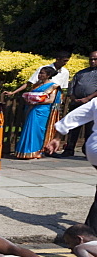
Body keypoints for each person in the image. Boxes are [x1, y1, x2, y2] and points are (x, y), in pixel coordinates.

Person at [44, 98, 97, 231]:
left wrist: (57, 137)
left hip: (94, 148)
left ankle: (90, 231)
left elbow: (73, 117)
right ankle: (90, 233)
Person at [12, 66, 60, 159]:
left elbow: (51, 100)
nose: (39, 75)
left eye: (42, 73)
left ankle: (36, 151)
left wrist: (37, 101)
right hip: (32, 109)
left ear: (48, 75)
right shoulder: (37, 85)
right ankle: (24, 151)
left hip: (42, 110)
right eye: (39, 73)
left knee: (38, 130)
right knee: (28, 128)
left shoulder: (53, 86)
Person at [60, 50, 97, 158]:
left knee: (89, 129)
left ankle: (87, 151)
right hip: (76, 103)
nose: (92, 61)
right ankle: (69, 149)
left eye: (95, 59)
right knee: (73, 127)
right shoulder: (81, 73)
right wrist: (73, 97)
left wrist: (88, 98)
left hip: (91, 105)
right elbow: (72, 86)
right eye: (91, 59)